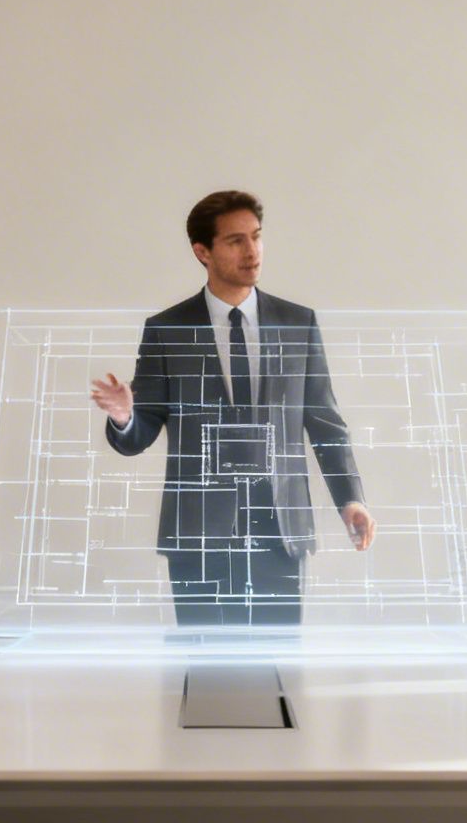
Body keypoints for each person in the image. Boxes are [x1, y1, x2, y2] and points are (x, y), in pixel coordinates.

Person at [89, 189, 375, 626]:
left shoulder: (299, 323)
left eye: (257, 237)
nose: (252, 251)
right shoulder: (167, 331)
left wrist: (350, 499)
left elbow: (324, 423)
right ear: (202, 251)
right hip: (200, 535)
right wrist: (125, 416)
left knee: (278, 678)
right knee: (205, 681)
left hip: (280, 530)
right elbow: (139, 434)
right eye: (235, 241)